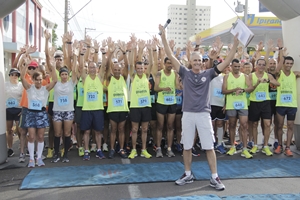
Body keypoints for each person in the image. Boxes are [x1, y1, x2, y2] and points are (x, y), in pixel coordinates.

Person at [159, 24, 238, 190]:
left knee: (209, 146)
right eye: (194, 60)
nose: (197, 62)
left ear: (202, 63)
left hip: (203, 115)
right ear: (190, 61)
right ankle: (187, 174)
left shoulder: (208, 74)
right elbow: (170, 55)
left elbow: (227, 62)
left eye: (199, 60)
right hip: (187, 114)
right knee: (187, 146)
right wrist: (163, 37)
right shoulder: (184, 73)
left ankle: (214, 177)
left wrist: (236, 45)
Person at [20, 57, 57, 168]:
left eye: (40, 79)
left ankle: (39, 158)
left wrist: (53, 67)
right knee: (31, 136)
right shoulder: (29, 88)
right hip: (31, 113)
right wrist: (26, 65)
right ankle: (31, 159)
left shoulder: (45, 89)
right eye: (37, 80)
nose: (39, 81)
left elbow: (55, 81)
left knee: (40, 137)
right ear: (33, 80)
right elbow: (22, 77)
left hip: (41, 114)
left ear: (42, 79)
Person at [51, 45, 79, 163]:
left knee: (67, 133)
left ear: (68, 75)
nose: (64, 76)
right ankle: (56, 154)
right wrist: (52, 60)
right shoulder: (56, 83)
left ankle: (65, 154)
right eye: (62, 74)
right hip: (57, 111)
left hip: (68, 111)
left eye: (66, 74)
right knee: (57, 133)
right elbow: (52, 70)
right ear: (60, 75)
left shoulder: (71, 83)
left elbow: (77, 70)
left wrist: (76, 57)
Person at [248, 58, 279, 156]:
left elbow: (278, 84)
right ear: (256, 66)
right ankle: (255, 145)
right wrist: (257, 83)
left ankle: (265, 146)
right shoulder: (251, 75)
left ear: (266, 66)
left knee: (267, 124)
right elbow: (249, 89)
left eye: (263, 65)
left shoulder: (268, 75)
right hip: (254, 102)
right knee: (254, 124)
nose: (261, 66)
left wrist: (269, 80)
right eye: (259, 64)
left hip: (265, 102)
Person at [222, 59, 253, 159]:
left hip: (242, 104)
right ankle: (232, 146)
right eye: (235, 66)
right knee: (232, 125)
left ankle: (244, 148)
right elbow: (223, 91)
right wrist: (234, 90)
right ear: (231, 66)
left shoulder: (245, 76)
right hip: (231, 104)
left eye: (239, 66)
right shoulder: (227, 76)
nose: (237, 68)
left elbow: (250, 88)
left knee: (244, 125)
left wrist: (243, 90)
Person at [274, 42, 300, 156]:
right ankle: (280, 145)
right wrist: (282, 54)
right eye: (287, 63)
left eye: (291, 63)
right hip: (280, 104)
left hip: (292, 105)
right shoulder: (280, 74)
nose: (289, 65)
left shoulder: (295, 74)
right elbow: (276, 70)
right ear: (284, 63)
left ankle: (288, 147)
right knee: (279, 125)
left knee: (290, 126)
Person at [154, 57, 177, 158]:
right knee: (160, 126)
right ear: (164, 63)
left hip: (172, 102)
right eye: (168, 63)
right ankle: (158, 148)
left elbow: (177, 87)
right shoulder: (159, 73)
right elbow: (155, 88)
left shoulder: (175, 73)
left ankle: (169, 148)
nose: (170, 65)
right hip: (161, 102)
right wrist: (164, 88)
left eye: (171, 63)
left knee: (170, 126)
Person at [106, 62, 129, 159]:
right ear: (112, 70)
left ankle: (121, 149)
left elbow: (127, 65)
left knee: (121, 129)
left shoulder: (124, 78)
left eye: (118, 69)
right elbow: (107, 66)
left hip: (123, 109)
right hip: (112, 109)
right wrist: (110, 53)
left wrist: (124, 53)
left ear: (121, 70)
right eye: (115, 69)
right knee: (113, 130)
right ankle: (112, 149)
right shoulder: (109, 79)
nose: (117, 71)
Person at [5, 68, 23, 157]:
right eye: (12, 74)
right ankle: (10, 148)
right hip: (8, 109)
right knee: (9, 130)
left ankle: (22, 146)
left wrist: (23, 109)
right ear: (9, 76)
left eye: (16, 75)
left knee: (20, 129)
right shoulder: (5, 85)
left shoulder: (21, 85)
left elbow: (25, 97)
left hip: (18, 109)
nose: (14, 76)